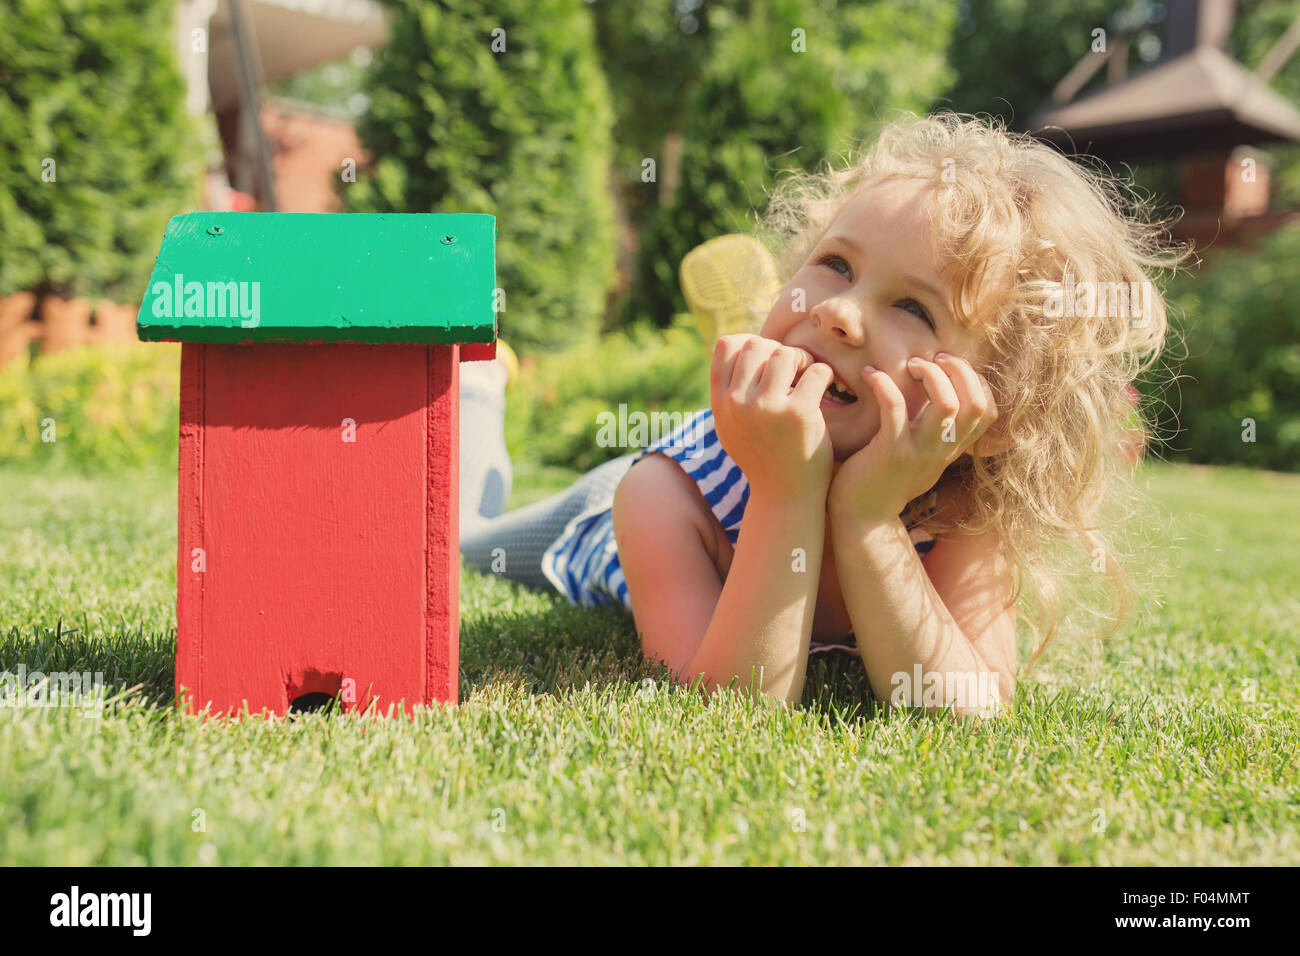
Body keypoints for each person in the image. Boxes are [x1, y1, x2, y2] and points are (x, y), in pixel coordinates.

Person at [458, 111, 1187, 717]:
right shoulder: (665, 496)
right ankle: (476, 394)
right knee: (464, 540)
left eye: (912, 306)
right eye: (835, 264)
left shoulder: (964, 514)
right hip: (615, 508)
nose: (837, 312)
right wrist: (786, 491)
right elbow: (729, 708)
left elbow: (967, 708)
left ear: (990, 419)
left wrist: (868, 515)